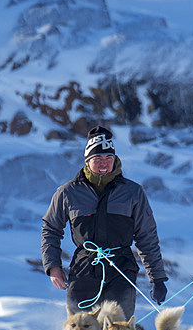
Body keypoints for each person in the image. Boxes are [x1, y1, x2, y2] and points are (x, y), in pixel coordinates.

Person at [42, 125, 168, 320]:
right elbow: (51, 229)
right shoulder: (68, 193)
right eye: (98, 158)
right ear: (87, 161)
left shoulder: (132, 193)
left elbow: (147, 236)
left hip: (121, 270)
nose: (104, 163)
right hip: (84, 269)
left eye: (108, 158)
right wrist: (53, 266)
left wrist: (157, 278)